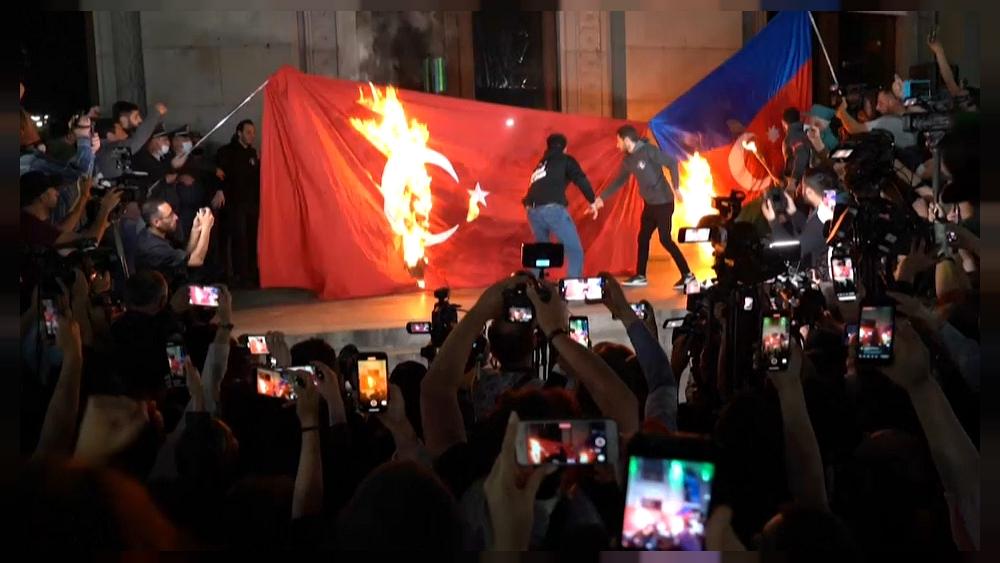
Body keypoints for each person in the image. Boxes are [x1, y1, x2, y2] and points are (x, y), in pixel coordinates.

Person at [593, 125, 693, 289]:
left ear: (627, 140)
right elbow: (619, 181)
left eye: (618, 141)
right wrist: (601, 199)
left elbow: (672, 162)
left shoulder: (648, 151)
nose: (617, 145)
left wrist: (676, 188)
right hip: (650, 205)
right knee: (643, 237)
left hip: (663, 202)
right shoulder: (628, 160)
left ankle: (687, 275)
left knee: (665, 239)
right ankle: (640, 276)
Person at [522, 133, 598, 278]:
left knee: (541, 250)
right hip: (552, 210)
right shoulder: (565, 160)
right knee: (574, 250)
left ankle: (533, 284)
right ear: (564, 148)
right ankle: (572, 287)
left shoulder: (541, 164)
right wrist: (593, 201)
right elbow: (580, 179)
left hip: (532, 210)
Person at [19, 171, 121, 248]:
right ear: (42, 197)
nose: (57, 193)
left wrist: (84, 196)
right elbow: (89, 244)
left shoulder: (29, 221)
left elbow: (62, 231)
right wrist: (105, 209)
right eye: (53, 189)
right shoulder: (30, 226)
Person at [216, 119, 260, 288]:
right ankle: (240, 275)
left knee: (252, 238)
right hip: (235, 204)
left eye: (253, 133)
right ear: (239, 132)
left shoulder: (252, 154)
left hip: (251, 203)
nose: (252, 136)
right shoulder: (226, 152)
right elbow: (220, 174)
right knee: (239, 240)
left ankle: (251, 272)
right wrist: (220, 190)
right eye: (248, 132)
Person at [134, 198, 215, 288]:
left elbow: (186, 255)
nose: (176, 217)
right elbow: (197, 260)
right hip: (162, 294)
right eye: (170, 216)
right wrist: (206, 228)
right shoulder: (155, 248)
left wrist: (195, 229)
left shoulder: (155, 232)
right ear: (156, 222)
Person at [95, 102, 169, 181]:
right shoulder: (109, 150)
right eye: (136, 117)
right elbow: (136, 142)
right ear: (110, 135)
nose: (140, 120)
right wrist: (155, 113)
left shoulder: (113, 152)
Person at [837, 89, 918, 150]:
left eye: (881, 103)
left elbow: (854, 128)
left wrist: (841, 111)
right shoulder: (912, 116)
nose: (877, 108)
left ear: (891, 102)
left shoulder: (888, 122)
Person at [781, 107, 813, 186]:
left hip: (808, 183)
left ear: (784, 123)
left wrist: (792, 182)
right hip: (824, 178)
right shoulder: (809, 130)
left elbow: (801, 157)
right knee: (830, 197)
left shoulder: (792, 137)